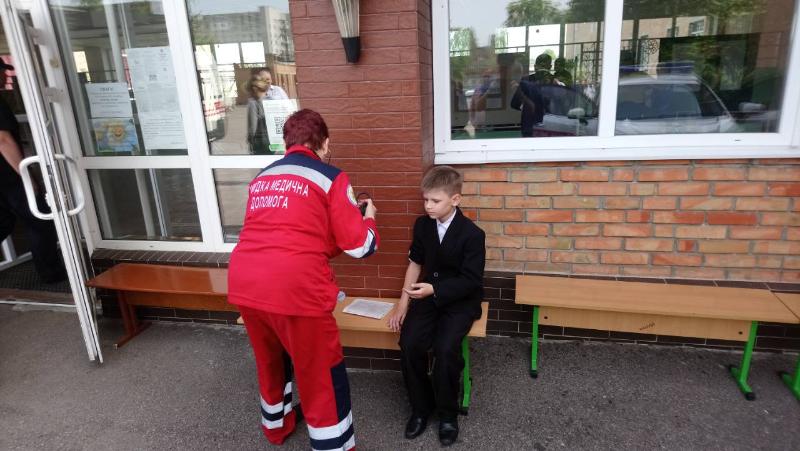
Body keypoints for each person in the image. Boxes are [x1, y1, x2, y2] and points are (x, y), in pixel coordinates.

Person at [228, 109, 379, 450]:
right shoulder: (331, 177)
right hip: (296, 290)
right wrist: (368, 219)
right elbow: (360, 247)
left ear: (287, 143)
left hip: (246, 282)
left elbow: (293, 235)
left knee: (270, 361)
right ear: (324, 143)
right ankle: (333, 445)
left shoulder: (262, 177)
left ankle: (276, 427)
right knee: (320, 372)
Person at [386, 165, 485, 447]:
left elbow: (471, 280)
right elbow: (415, 264)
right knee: (410, 343)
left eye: (435, 200)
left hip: (460, 300)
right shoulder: (423, 225)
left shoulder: (472, 234)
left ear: (455, 199)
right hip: (427, 296)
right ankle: (421, 408)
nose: (428, 206)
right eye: (425, 200)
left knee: (445, 349)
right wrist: (402, 305)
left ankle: (447, 415)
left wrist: (436, 289)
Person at [0, 57, 65, 283]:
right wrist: (26, 175)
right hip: (9, 177)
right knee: (40, 221)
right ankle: (52, 274)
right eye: (2, 71)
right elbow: (3, 141)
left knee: (4, 222)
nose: (6, 75)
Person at [246, 77, 271, 154]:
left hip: (260, 142)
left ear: (254, 89)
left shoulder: (253, 103)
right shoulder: (272, 100)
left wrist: (250, 140)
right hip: (273, 141)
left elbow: (253, 126)